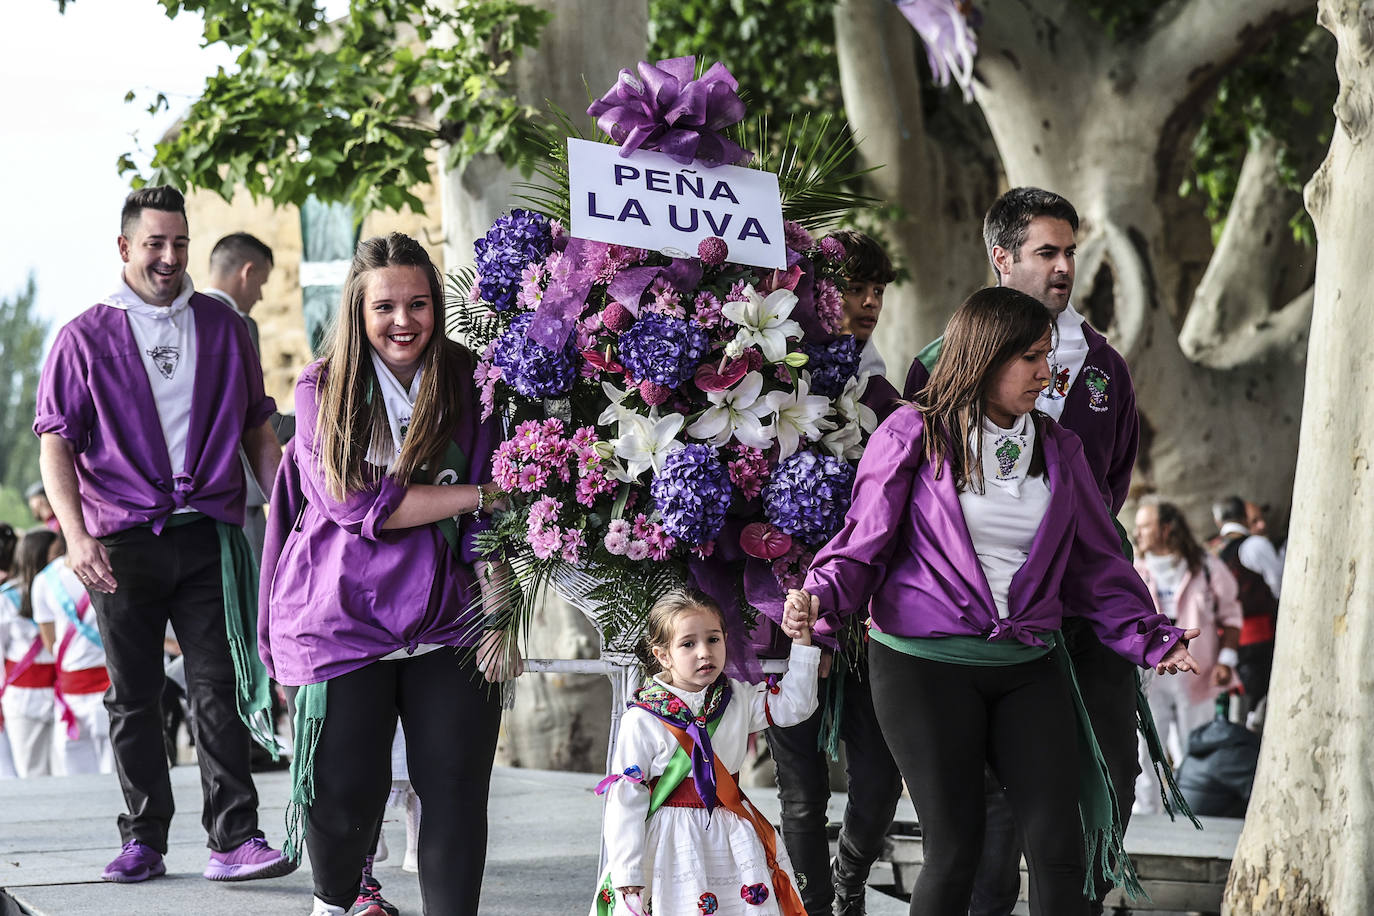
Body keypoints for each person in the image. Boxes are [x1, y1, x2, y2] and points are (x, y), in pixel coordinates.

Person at [791, 287, 1201, 916]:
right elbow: (862, 543)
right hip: (922, 665)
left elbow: (1097, 564)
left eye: (1047, 356)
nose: (1046, 373)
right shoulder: (912, 433)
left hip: (1027, 662)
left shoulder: (1061, 447)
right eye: (1031, 359)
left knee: (1063, 847)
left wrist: (1151, 636)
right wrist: (819, 599)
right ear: (985, 357)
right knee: (956, 851)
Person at [34, 185, 291, 884]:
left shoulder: (225, 326)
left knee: (221, 684)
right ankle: (144, 837)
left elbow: (256, 430)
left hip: (208, 534)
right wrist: (75, 536)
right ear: (125, 248)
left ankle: (234, 838)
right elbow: (55, 443)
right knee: (133, 694)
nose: (170, 257)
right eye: (155, 243)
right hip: (120, 542)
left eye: (179, 243)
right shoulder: (81, 337)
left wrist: (293, 514)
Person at [258, 232, 519, 916]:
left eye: (419, 304)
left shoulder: (468, 379)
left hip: (448, 619)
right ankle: (337, 902)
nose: (404, 321)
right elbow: (348, 502)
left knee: (457, 791)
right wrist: (472, 495)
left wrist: (500, 614)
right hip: (341, 616)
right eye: (385, 307)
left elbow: (497, 506)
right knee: (344, 794)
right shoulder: (321, 385)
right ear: (357, 310)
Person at [904, 188, 1145, 915]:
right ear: (1001, 258)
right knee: (987, 809)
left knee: (1110, 777)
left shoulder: (1106, 369)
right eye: (1048, 252)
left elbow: (1112, 485)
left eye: (1071, 251)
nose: (1065, 266)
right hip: (982, 624)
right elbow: (914, 494)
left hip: (1086, 614)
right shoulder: (939, 363)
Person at [751, 229, 904, 916]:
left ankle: (848, 882)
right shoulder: (769, 375)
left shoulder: (886, 394)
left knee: (880, 776)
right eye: (854, 287)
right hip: (782, 615)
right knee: (801, 789)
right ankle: (816, 909)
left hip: (866, 621)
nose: (867, 303)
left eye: (877, 290)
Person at [593, 587, 820, 916]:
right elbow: (626, 797)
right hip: (671, 844)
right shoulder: (642, 718)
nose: (704, 652)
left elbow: (794, 706)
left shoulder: (737, 698)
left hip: (731, 837)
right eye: (688, 644)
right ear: (663, 655)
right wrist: (627, 869)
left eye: (713, 639)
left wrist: (801, 642)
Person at [1131, 498, 1241, 813]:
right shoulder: (1134, 569)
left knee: (1194, 746)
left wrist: (1226, 661)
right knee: (1145, 748)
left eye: (1145, 525)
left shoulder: (1206, 567)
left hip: (1198, 672)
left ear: (1167, 528)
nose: (1138, 533)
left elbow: (1231, 617)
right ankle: (1146, 815)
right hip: (1151, 674)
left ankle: (1190, 810)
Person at [204, 232, 277, 565]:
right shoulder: (238, 325)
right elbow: (251, 415)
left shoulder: (185, 321)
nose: (260, 296)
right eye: (261, 283)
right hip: (240, 493)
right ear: (247, 272)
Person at [31, 533, 113, 775]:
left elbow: (50, 642)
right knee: (113, 770)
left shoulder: (45, 579)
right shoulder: (114, 567)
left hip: (84, 688)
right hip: (81, 692)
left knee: (79, 772)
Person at [1211, 496, 1282, 727]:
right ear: (1244, 516)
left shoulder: (1209, 552)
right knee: (1262, 701)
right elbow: (1280, 585)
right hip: (1259, 635)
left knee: (1240, 702)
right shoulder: (1254, 545)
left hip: (1224, 639)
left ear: (1217, 520)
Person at [1, 526, 57, 778]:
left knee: (65, 771)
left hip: (64, 694)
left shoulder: (62, 591)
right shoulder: (7, 599)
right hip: (24, 698)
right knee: (31, 773)